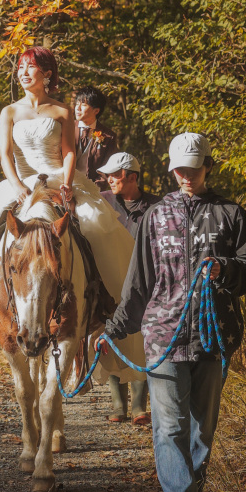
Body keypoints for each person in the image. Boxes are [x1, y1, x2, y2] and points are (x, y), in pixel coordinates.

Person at [97, 132, 246, 492]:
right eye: (180, 169)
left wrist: (226, 268)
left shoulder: (231, 213)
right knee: (168, 427)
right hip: (163, 336)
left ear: (208, 165)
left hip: (212, 337)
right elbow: (139, 285)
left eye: (194, 168)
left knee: (200, 431)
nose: (186, 176)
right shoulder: (156, 217)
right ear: (170, 169)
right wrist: (113, 331)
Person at [0, 48, 146, 392]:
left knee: (95, 229)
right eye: (21, 68)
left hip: (57, 180)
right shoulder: (9, 111)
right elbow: (6, 156)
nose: (24, 74)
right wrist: (17, 187)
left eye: (31, 68)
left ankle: (105, 300)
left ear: (47, 75)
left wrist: (67, 184)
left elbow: (69, 151)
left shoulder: (62, 110)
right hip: (20, 184)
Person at [96, 151, 161, 425]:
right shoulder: (103, 203)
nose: (109, 180)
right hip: (111, 280)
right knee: (113, 334)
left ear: (131, 177)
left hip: (146, 282)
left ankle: (139, 406)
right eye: (107, 175)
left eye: (115, 175)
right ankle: (118, 405)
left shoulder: (157, 206)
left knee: (143, 337)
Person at [74, 87, 118, 186]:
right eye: (77, 104)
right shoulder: (66, 128)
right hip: (63, 185)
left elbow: (107, 168)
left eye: (83, 105)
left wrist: (94, 189)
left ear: (96, 111)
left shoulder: (108, 136)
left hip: (91, 189)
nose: (78, 108)